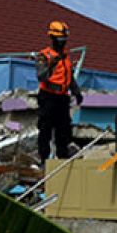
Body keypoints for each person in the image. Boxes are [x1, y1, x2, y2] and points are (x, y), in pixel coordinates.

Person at [35, 21, 84, 161]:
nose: (62, 43)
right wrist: (53, 62)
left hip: (62, 98)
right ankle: (44, 159)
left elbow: (70, 77)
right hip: (48, 97)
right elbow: (41, 76)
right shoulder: (43, 55)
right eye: (59, 40)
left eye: (64, 40)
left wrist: (76, 92)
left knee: (63, 130)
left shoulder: (66, 56)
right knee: (45, 130)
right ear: (52, 38)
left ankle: (62, 157)